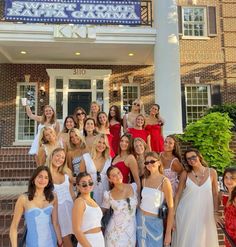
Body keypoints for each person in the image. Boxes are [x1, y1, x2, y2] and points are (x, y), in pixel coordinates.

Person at [172, 148, 219, 247]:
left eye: (193, 157)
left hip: (206, 213)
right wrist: (173, 215)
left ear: (199, 157)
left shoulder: (212, 172)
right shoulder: (185, 174)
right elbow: (178, 194)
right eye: (188, 159)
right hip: (186, 213)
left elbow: (215, 194)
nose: (191, 160)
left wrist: (215, 212)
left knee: (204, 240)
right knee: (188, 240)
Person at [9, 166, 63, 247]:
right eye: (40, 176)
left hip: (51, 242)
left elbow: (55, 223)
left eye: (46, 177)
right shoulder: (23, 198)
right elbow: (14, 227)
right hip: (32, 243)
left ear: (49, 181)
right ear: (34, 179)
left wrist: (60, 243)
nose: (43, 180)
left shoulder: (53, 197)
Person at [136, 152, 173, 247]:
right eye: (146, 162)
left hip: (155, 223)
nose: (149, 164)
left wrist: (168, 233)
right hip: (140, 220)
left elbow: (171, 208)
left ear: (159, 162)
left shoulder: (165, 181)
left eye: (152, 161)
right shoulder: (144, 179)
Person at [102, 166, 138, 247]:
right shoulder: (108, 195)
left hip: (131, 233)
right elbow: (101, 211)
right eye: (114, 175)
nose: (118, 176)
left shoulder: (134, 186)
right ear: (109, 179)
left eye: (118, 173)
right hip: (113, 235)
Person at [49, 148, 75, 247]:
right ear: (52, 155)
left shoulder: (66, 172)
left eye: (63, 157)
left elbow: (72, 193)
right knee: (64, 238)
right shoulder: (46, 174)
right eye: (58, 156)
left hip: (70, 207)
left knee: (76, 234)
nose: (60, 159)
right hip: (57, 211)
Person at [72, 172, 105, 247]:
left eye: (90, 182)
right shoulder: (79, 202)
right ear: (78, 186)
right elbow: (76, 230)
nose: (87, 185)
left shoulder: (93, 201)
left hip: (99, 239)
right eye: (84, 183)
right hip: (87, 241)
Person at [80, 134, 111, 206]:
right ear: (95, 143)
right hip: (89, 194)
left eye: (104, 143)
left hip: (105, 195)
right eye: (99, 142)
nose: (101, 145)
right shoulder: (86, 157)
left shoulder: (109, 159)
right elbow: (80, 178)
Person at [221, 167, 236, 247]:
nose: (228, 181)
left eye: (232, 178)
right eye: (226, 177)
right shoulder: (226, 197)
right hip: (229, 236)